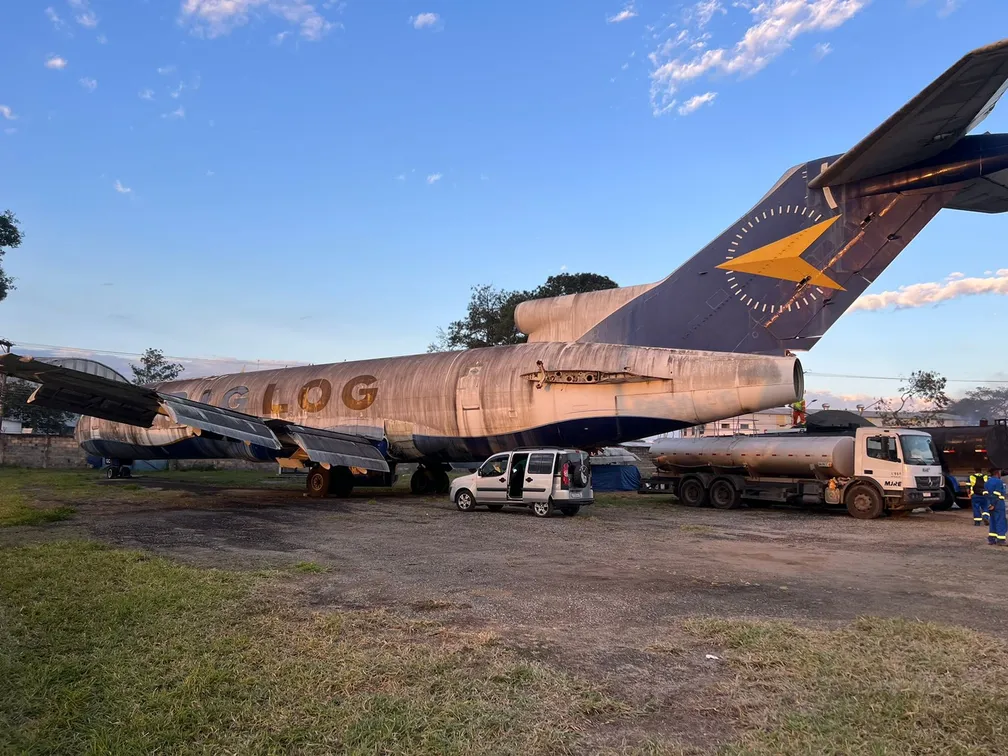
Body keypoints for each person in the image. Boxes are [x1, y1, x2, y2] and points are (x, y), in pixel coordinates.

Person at [984, 468, 1006, 546]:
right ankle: (1001, 540)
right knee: (1000, 521)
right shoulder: (999, 482)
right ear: (997, 473)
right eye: (1000, 472)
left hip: (990, 504)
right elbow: (997, 494)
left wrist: (989, 504)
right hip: (998, 504)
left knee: (993, 521)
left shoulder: (987, 482)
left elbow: (986, 494)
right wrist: (993, 504)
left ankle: (992, 539)